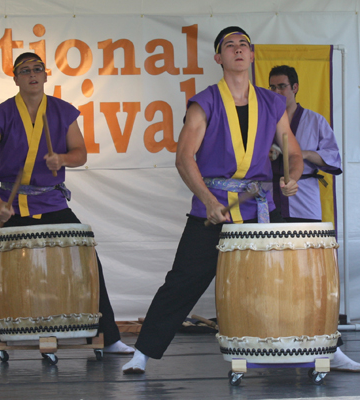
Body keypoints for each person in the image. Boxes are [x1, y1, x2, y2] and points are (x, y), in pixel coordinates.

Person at [122, 26, 304, 374]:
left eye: (244, 45)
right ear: (219, 57)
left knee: (281, 280)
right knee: (183, 280)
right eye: (229, 46)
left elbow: (292, 150)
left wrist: (291, 178)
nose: (238, 50)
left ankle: (325, 345)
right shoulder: (204, 101)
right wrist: (206, 199)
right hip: (213, 206)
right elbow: (184, 157)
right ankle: (143, 353)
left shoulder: (271, 101)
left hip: (256, 208)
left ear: (251, 56)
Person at [0, 52, 134, 358]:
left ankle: (109, 337)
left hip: (50, 199)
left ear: (46, 74)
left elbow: (80, 153)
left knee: (87, 262)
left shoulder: (62, 112)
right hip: (11, 202)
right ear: (15, 78)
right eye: (25, 70)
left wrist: (62, 159)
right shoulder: (0, 115)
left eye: (37, 69)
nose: (32, 75)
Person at [269, 65, 360, 372]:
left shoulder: (314, 120)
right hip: (270, 204)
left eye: (282, 86)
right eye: (272, 88)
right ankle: (278, 339)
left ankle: (329, 348)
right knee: (275, 277)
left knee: (312, 279)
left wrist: (303, 153)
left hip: (305, 199)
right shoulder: (264, 121)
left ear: (295, 87)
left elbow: (333, 158)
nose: (277, 92)